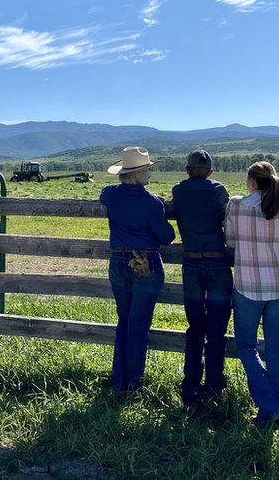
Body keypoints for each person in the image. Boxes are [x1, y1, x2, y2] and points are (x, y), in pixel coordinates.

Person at [225, 161, 279, 425]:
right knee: (276, 347)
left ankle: (269, 406)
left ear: (251, 182)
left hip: (247, 287)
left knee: (245, 346)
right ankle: (276, 407)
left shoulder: (236, 205)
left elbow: (230, 240)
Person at [100, 146, 176, 393]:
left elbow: (105, 195)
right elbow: (166, 236)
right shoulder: (151, 202)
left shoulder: (110, 194)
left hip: (117, 262)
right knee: (139, 324)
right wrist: (160, 207)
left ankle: (118, 382)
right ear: (137, 175)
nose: (150, 175)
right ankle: (134, 383)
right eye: (147, 171)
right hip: (145, 262)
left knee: (124, 320)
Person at [170, 150, 232, 407]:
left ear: (187, 170)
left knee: (195, 328)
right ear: (210, 171)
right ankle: (214, 384)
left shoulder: (178, 190)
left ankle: (190, 386)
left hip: (192, 263)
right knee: (216, 329)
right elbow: (225, 217)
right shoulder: (218, 190)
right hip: (217, 262)